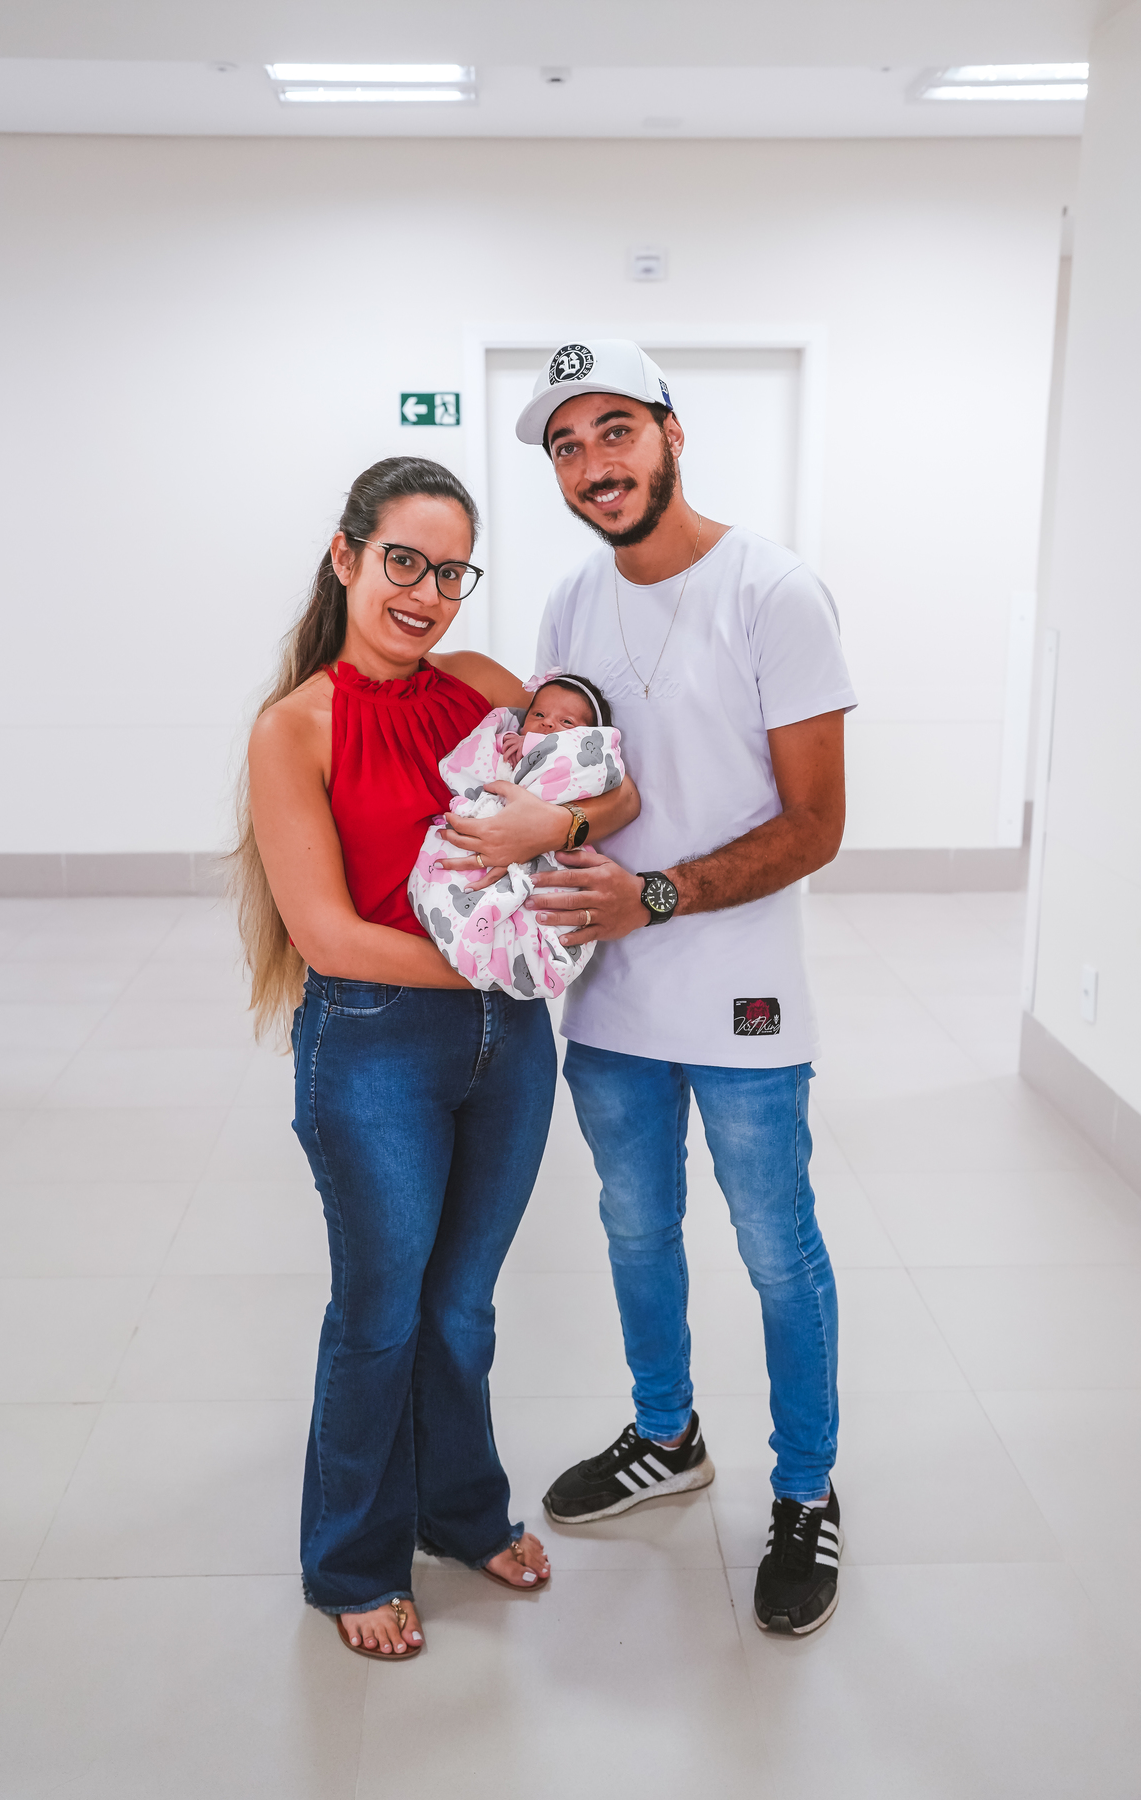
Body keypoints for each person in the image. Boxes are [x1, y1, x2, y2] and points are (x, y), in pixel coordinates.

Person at [450, 340, 856, 1636]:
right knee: (636, 1231)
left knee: (777, 1252)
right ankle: (667, 1435)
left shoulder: (773, 591)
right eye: (567, 447)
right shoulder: (573, 602)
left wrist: (658, 896)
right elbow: (567, 786)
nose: (592, 465)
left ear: (672, 434)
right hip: (610, 998)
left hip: (743, 996)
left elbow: (817, 823)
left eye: (613, 430)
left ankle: (805, 1490)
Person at [234, 455, 640, 1660]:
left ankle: (462, 1516)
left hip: (508, 1050)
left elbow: (609, 788)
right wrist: (506, 961)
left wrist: (558, 823)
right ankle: (352, 1562)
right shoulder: (295, 728)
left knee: (461, 1309)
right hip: (374, 1049)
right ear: (346, 555)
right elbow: (328, 936)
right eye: (402, 562)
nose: (425, 594)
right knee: (379, 1314)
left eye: (451, 572)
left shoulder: (483, 688)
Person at [409, 673, 624, 998]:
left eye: (566, 721)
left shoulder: (583, 757)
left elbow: (581, 766)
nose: (548, 724)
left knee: (551, 904)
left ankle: (524, 955)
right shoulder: (506, 745)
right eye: (538, 714)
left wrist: (536, 748)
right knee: (454, 877)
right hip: (490, 837)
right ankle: (478, 943)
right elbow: (478, 776)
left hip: (550, 852)